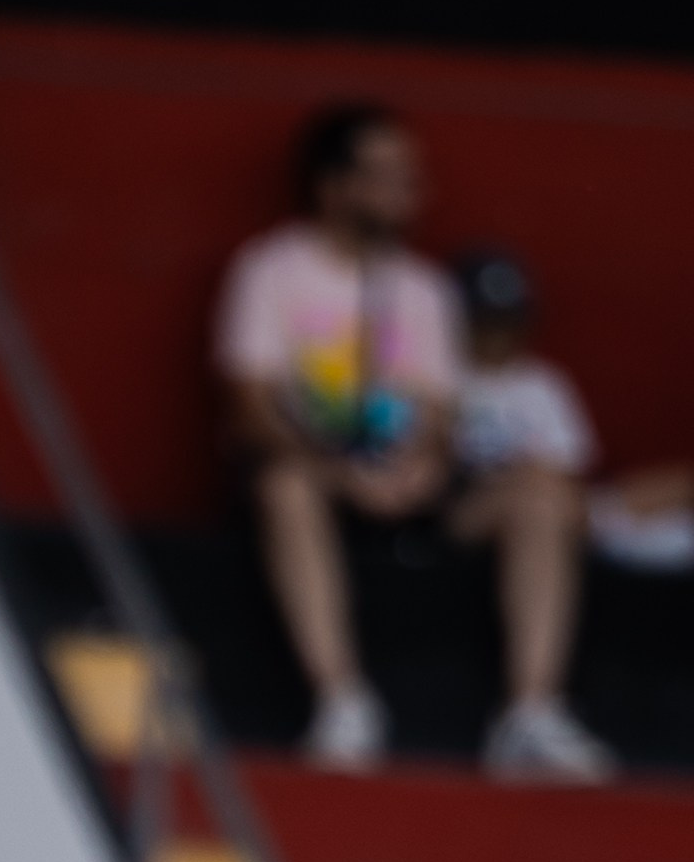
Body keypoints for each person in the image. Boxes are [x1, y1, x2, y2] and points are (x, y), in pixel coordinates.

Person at [215, 104, 612, 779]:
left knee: (544, 491)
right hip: (317, 484)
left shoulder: (426, 290)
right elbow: (250, 408)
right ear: (331, 186)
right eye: (383, 174)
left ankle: (532, 713)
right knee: (282, 485)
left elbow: (437, 409)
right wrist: (340, 473)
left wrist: (421, 464)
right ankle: (342, 702)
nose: (404, 189)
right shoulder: (271, 271)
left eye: (409, 174)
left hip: (413, 488)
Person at [453, 247, 694, 578]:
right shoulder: (442, 375)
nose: (498, 336)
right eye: (487, 323)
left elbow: (570, 471)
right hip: (476, 508)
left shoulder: (541, 381)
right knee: (539, 495)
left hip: (566, 507)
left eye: (507, 323)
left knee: (680, 485)